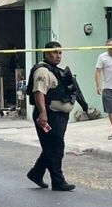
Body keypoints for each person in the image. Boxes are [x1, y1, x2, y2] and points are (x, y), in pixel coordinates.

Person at [26, 41, 75, 192]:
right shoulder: (42, 71)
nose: (58, 55)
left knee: (51, 147)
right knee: (56, 147)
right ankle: (58, 181)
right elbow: (39, 93)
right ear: (46, 53)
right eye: (54, 52)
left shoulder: (55, 70)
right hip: (48, 116)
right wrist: (43, 114)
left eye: (60, 52)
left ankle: (36, 173)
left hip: (59, 116)